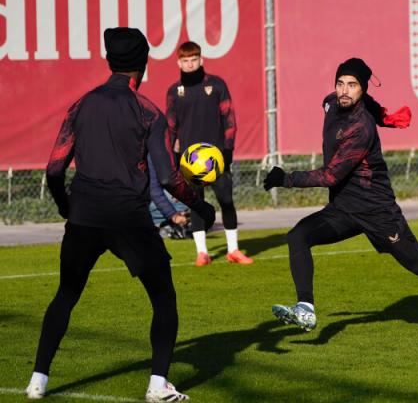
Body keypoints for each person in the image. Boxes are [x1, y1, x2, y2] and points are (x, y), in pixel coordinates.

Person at [25, 27, 215, 402]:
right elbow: (166, 176)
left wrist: (66, 205)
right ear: (143, 64)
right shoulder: (147, 112)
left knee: (65, 294)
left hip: (84, 216)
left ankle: (37, 381)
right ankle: (158, 386)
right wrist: (198, 203)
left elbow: (53, 169)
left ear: (108, 61)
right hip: (128, 218)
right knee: (163, 298)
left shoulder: (81, 105)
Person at [263, 58, 418, 339]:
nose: (345, 90)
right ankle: (306, 308)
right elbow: (369, 103)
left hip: (378, 212)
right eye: (341, 83)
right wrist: (386, 116)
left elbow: (330, 176)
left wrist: (286, 179)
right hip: (343, 209)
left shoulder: (361, 127)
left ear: (361, 89)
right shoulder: (331, 103)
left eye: (352, 85)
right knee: (298, 236)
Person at [166, 41, 252, 266]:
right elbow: (171, 126)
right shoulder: (175, 92)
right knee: (197, 204)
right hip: (190, 161)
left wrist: (228, 150)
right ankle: (202, 253)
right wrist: (173, 158)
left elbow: (229, 119)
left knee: (226, 201)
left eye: (194, 60)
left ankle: (233, 250)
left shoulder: (216, 85)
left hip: (217, 158)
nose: (190, 64)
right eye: (186, 61)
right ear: (179, 63)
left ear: (201, 60)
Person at [148, 154, 192, 240]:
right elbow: (154, 190)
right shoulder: (152, 155)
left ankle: (171, 225)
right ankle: (166, 226)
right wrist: (173, 215)